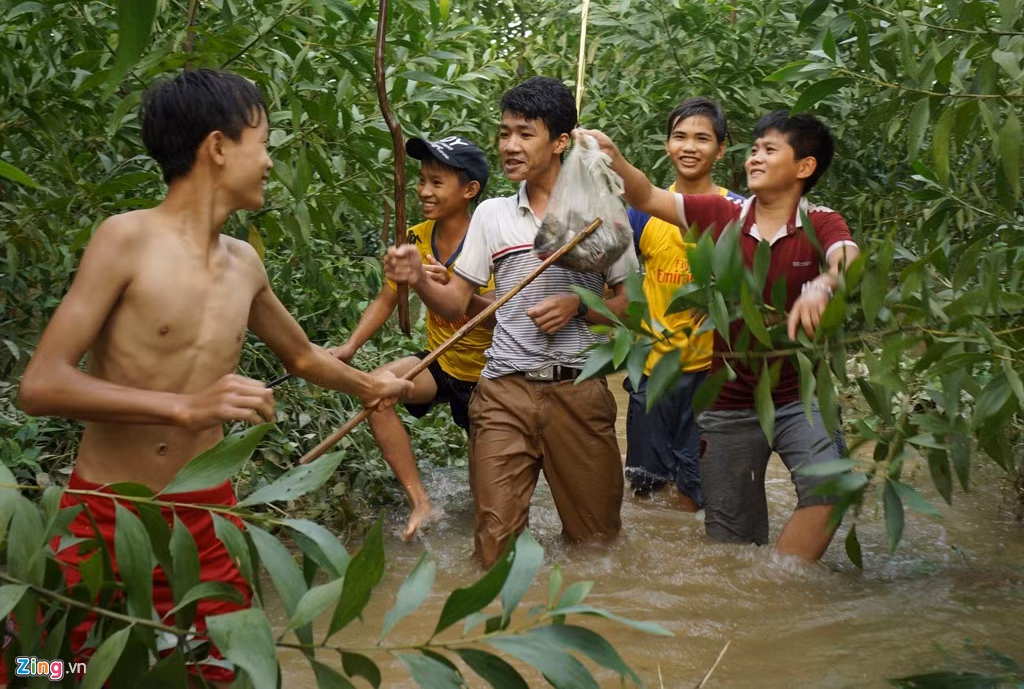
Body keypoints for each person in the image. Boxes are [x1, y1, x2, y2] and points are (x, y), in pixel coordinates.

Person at [15, 69, 412, 686]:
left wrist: (372, 386)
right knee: (49, 668)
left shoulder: (244, 263)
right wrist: (184, 406)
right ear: (219, 146)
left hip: (210, 517)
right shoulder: (126, 239)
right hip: (107, 514)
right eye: (264, 143)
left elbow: (303, 357)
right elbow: (41, 384)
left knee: (227, 672)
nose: (270, 162)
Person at [581, 110, 859, 562]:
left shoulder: (820, 221)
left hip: (799, 394)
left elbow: (845, 254)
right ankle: (753, 595)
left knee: (831, 487)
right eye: (754, 149)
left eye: (769, 150)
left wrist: (824, 285)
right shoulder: (723, 215)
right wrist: (614, 157)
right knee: (731, 540)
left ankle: (781, 583)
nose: (754, 158)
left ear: (804, 166)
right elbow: (646, 196)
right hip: (729, 402)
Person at [384, 76, 639, 568]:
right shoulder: (492, 214)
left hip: (578, 389)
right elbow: (455, 305)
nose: (509, 146)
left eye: (524, 134)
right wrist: (416, 278)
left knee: (596, 546)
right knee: (493, 549)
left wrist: (578, 306)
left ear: (560, 142)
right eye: (504, 133)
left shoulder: (599, 213)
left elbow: (630, 303)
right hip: (502, 391)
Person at [332, 135, 495, 540]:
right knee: (375, 391)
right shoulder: (416, 238)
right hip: (441, 361)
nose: (423, 191)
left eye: (437, 182)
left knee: (487, 501)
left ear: (470, 190)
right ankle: (421, 502)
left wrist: (460, 293)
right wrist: (350, 346)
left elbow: (507, 314)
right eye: (422, 180)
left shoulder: (493, 238)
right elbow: (387, 298)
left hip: (492, 376)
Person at [623, 97, 743, 509]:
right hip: (653, 370)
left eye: (702, 138)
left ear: (721, 149)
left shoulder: (738, 212)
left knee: (697, 494)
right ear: (667, 145)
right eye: (680, 136)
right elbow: (614, 283)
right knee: (646, 493)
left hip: (713, 376)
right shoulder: (642, 214)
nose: (689, 147)